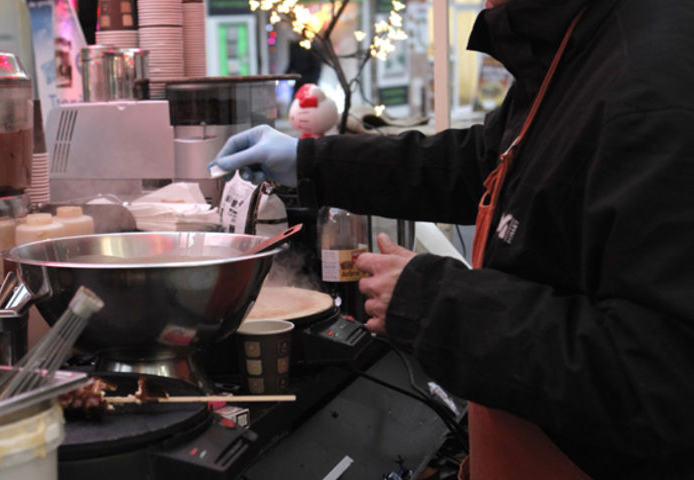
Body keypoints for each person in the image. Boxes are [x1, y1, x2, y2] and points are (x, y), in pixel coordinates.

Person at [211, 0, 694, 477]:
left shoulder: (653, 85)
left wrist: (436, 301)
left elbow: (655, 381)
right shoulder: (576, 44)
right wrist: (308, 162)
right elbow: (478, 163)